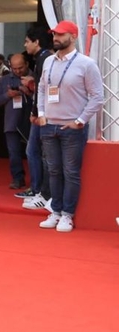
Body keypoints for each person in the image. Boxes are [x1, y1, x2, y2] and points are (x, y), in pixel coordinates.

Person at [36, 20, 103, 233]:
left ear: (73, 37)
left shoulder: (86, 64)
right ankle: (55, 211)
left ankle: (67, 214)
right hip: (49, 126)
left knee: (70, 172)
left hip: (71, 128)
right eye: (54, 34)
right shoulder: (48, 61)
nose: (56, 38)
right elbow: (42, 90)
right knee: (53, 171)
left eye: (61, 35)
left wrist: (79, 121)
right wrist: (41, 114)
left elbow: (97, 97)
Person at [20, 27, 54, 208]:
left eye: (27, 41)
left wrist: (35, 113)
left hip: (44, 113)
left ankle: (40, 191)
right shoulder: (44, 58)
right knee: (39, 153)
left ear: (36, 42)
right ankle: (41, 191)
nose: (25, 45)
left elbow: (42, 89)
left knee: (36, 152)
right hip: (45, 112)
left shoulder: (44, 59)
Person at [0, 54, 32, 189]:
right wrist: (7, 95)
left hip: (31, 121)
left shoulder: (34, 77)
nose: (17, 71)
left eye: (20, 68)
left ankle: (37, 181)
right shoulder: (4, 80)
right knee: (14, 153)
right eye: (14, 68)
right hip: (11, 121)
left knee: (33, 152)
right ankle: (17, 178)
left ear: (26, 64)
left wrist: (30, 92)